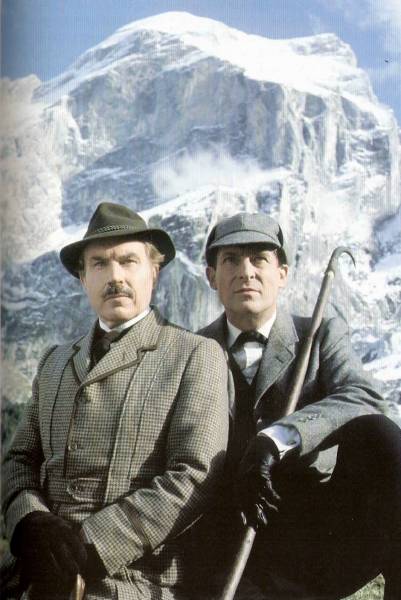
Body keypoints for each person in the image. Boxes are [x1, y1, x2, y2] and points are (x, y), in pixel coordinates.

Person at [1, 202, 229, 600]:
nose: (115, 277)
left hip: (130, 582)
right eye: (100, 264)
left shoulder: (194, 355)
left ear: (154, 271)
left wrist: (88, 547)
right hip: (33, 572)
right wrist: (32, 523)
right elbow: (18, 459)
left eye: (128, 261)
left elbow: (194, 474)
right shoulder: (56, 362)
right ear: (83, 278)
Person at [195, 212, 401, 600]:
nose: (246, 272)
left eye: (259, 259)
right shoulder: (190, 350)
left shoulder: (320, 334)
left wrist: (277, 439)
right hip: (227, 538)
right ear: (211, 276)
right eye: (231, 260)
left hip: (314, 534)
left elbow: (363, 398)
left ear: (282, 274)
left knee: (381, 435)